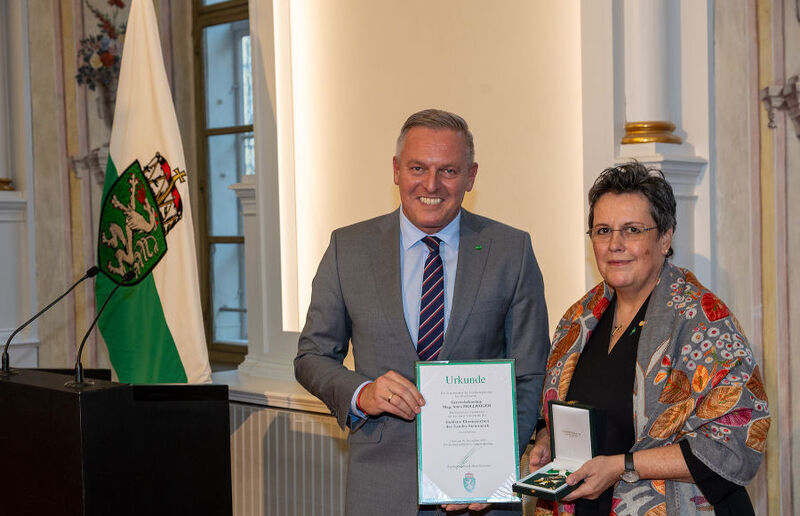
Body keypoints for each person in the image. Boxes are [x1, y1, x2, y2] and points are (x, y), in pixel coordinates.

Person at [295, 109, 550, 515]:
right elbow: (311, 357)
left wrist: (498, 464)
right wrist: (363, 393)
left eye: (448, 170)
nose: (431, 185)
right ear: (396, 170)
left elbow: (530, 371)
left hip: (480, 497)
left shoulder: (510, 251)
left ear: (471, 176)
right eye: (418, 167)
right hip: (380, 489)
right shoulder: (349, 248)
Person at [529, 162, 769, 515]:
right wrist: (548, 440)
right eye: (603, 230)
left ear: (665, 237)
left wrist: (623, 465)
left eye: (632, 230)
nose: (615, 244)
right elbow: (564, 411)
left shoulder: (704, 321)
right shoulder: (579, 319)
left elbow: (736, 443)